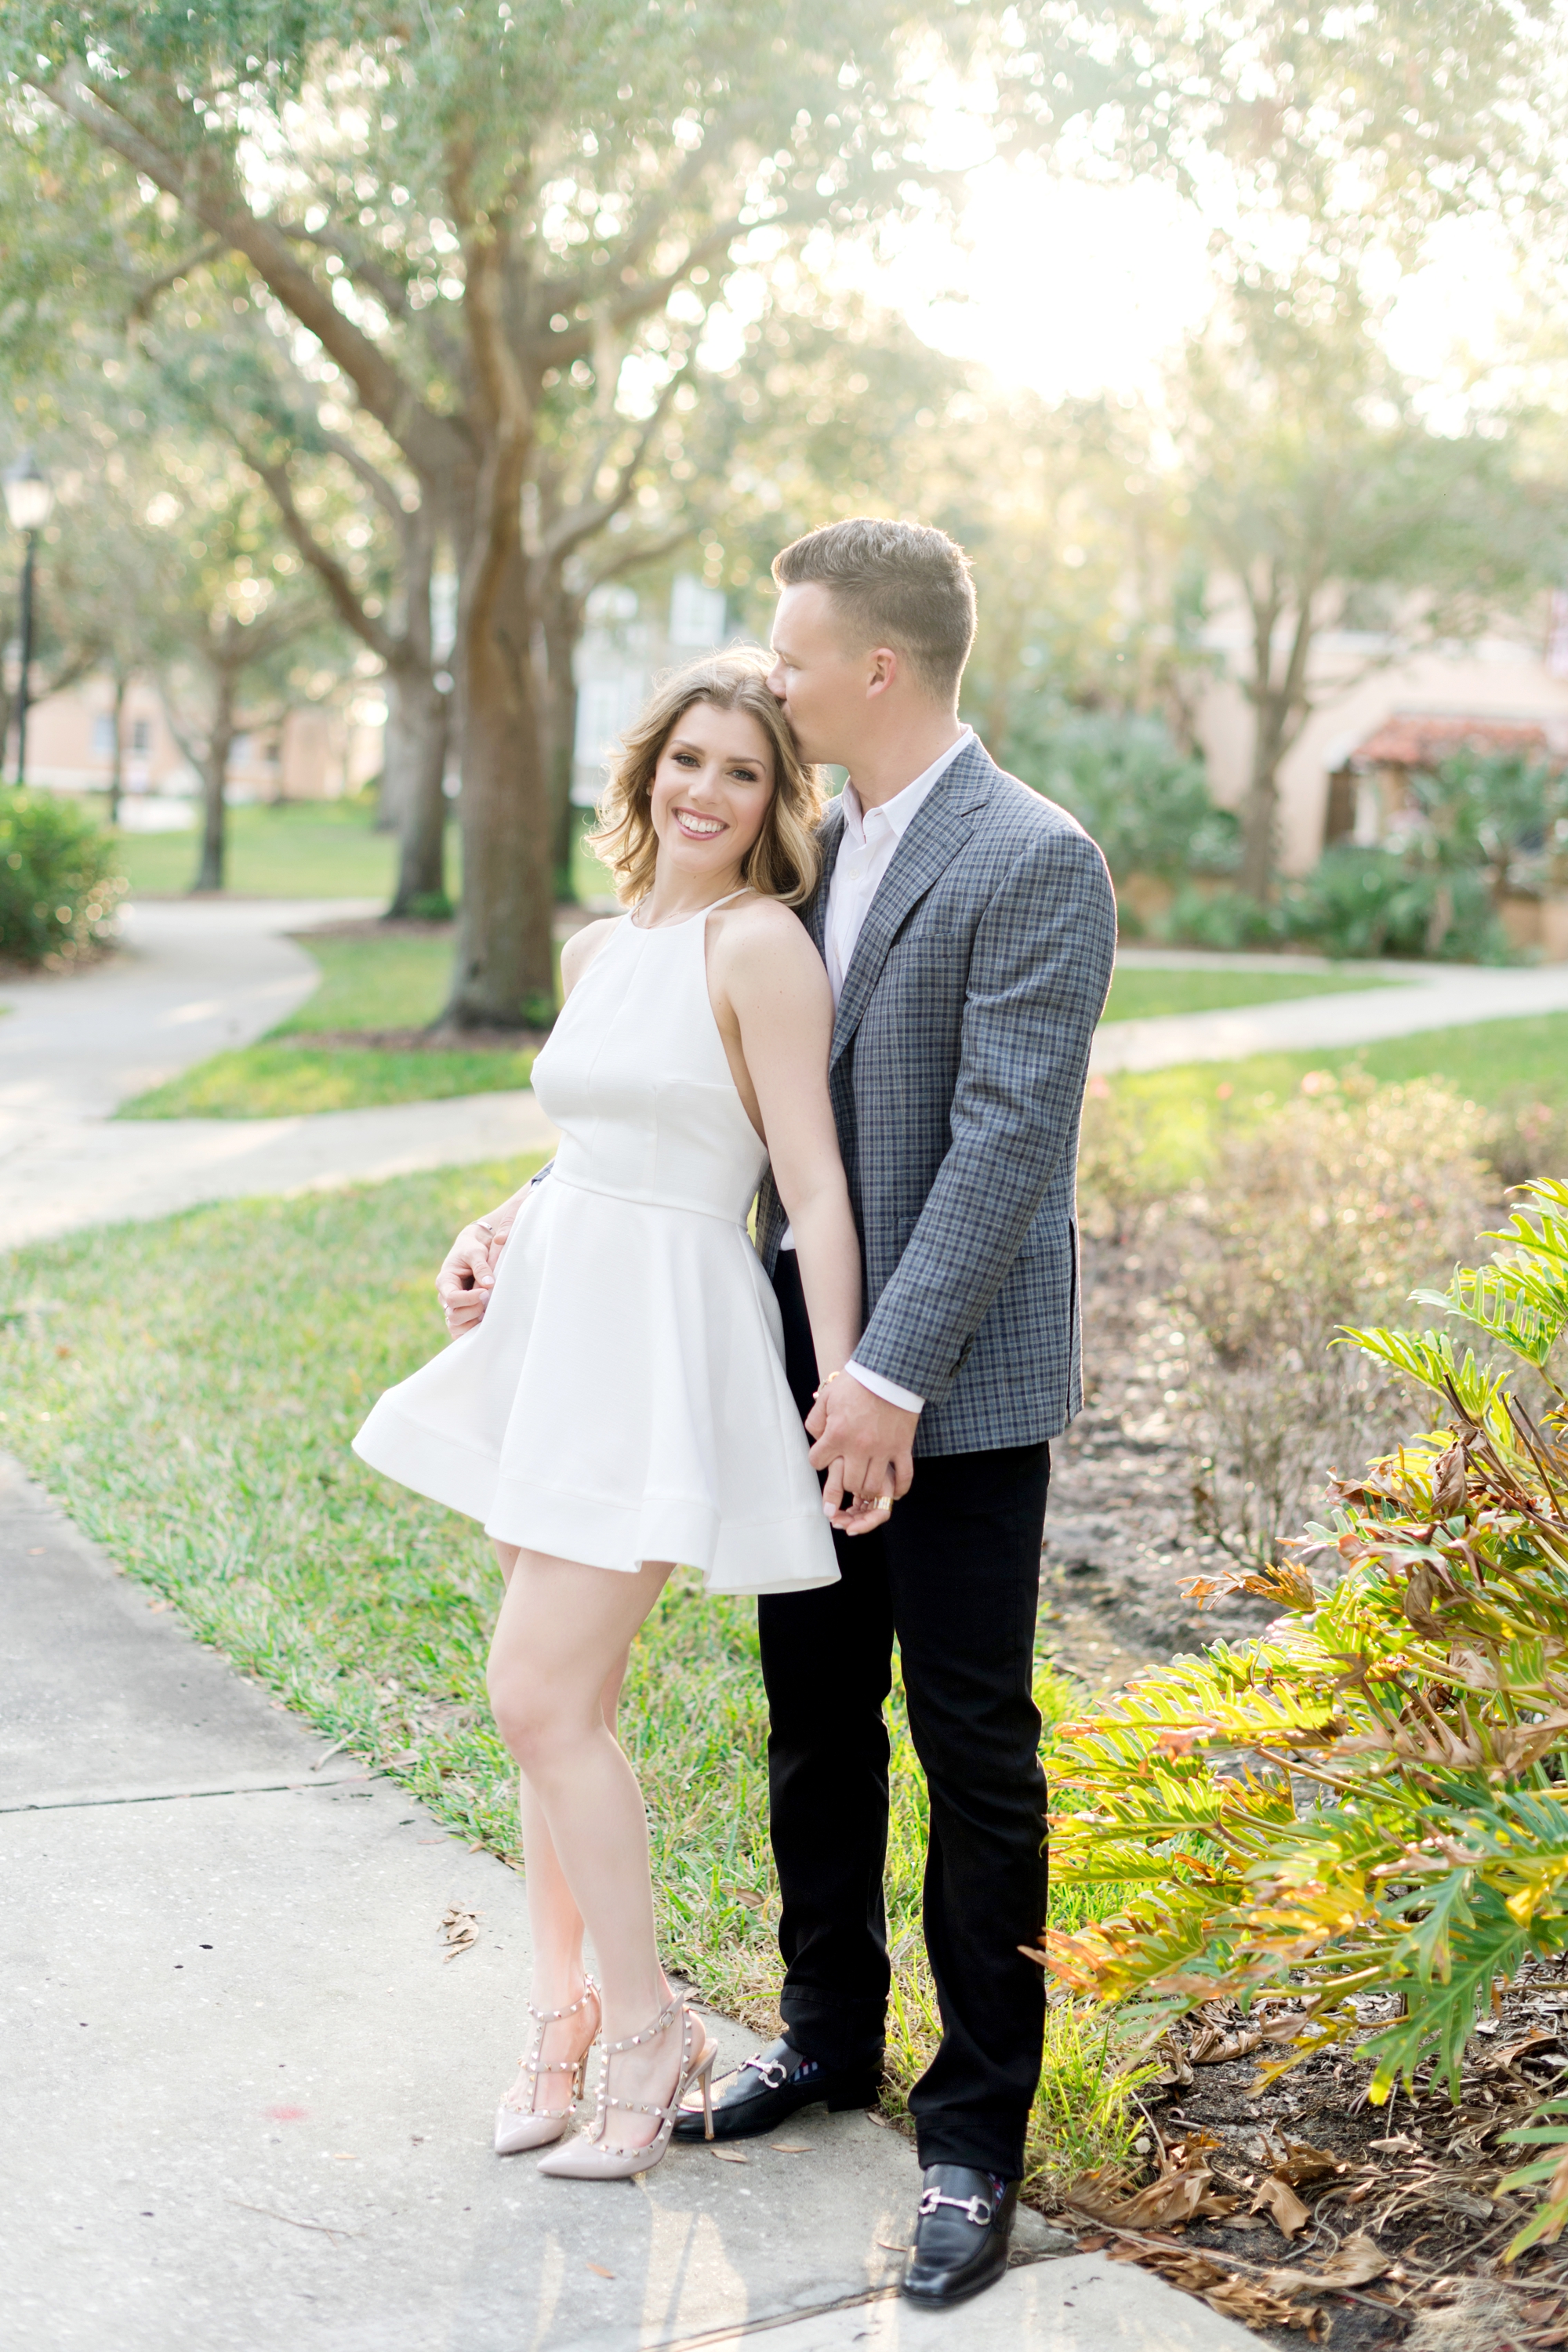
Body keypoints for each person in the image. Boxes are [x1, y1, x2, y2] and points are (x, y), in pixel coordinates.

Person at [353, 648, 880, 2182]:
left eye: (744, 772)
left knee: (533, 1696)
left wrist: (844, 1381)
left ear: (777, 802)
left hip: (663, 1344)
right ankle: (557, 2017)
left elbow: (810, 1186)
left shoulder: (758, 947)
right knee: (559, 1711)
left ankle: (649, 2028)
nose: (707, 791)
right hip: (556, 1331)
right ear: (647, 770)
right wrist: (493, 1228)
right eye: (688, 760)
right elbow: (589, 1149)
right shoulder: (599, 951)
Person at [669, 520, 1116, 2311]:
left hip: (959, 1387)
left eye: (790, 656)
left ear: (877, 667)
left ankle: (973, 2136)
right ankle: (824, 2036)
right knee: (811, 1718)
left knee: (972, 1746)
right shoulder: (814, 846)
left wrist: (888, 1379)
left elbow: (1007, 1143)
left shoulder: (1034, 857)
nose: (769, 682)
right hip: (799, 1357)